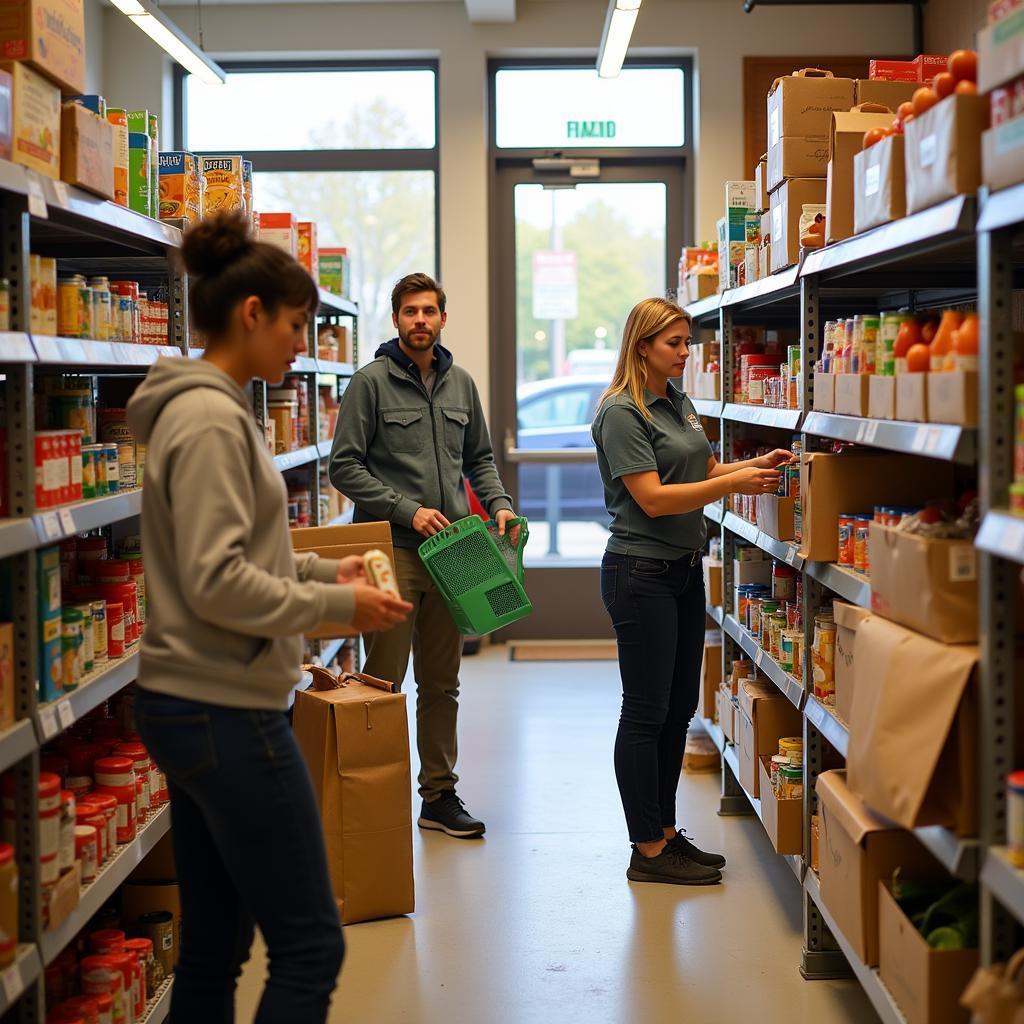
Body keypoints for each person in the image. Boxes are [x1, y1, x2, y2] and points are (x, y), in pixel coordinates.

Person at [126, 212, 412, 1023]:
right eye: (294, 326)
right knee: (311, 947)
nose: (299, 342)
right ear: (250, 313)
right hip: (227, 706)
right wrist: (338, 605)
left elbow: (232, 553)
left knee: (214, 949)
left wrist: (326, 568)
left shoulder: (205, 408)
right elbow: (219, 583)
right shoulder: (212, 418)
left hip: (190, 700)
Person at [592, 297, 793, 887]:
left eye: (686, 343)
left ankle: (665, 831)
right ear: (642, 346)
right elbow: (653, 498)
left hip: (681, 568)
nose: (686, 353)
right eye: (675, 344)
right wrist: (735, 483)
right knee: (645, 711)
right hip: (639, 572)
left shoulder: (677, 400)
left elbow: (702, 473)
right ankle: (646, 848)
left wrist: (752, 465)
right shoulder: (622, 412)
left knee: (679, 709)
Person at [329, 272, 517, 840]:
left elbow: (479, 458)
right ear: (395, 320)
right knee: (383, 679)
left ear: (442, 318)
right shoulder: (371, 383)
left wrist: (499, 504)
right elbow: (345, 467)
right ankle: (371, 792)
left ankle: (438, 796)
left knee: (443, 682)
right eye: (409, 311)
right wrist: (405, 509)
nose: (420, 320)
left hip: (455, 550)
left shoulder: (461, 384)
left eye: (429, 311)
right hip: (391, 549)